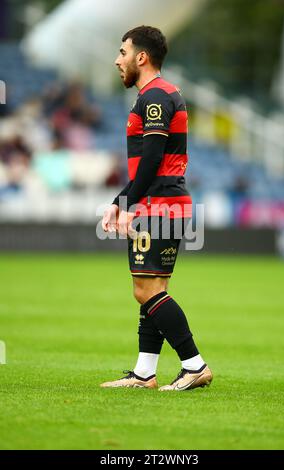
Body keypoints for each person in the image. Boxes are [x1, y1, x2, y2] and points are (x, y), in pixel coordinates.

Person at [100, 26, 212, 391]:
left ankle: (194, 364)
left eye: (122, 52)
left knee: (145, 290)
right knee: (154, 287)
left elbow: (151, 159)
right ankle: (145, 372)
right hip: (165, 203)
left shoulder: (155, 97)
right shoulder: (161, 94)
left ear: (141, 57)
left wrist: (122, 204)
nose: (118, 60)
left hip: (159, 205)